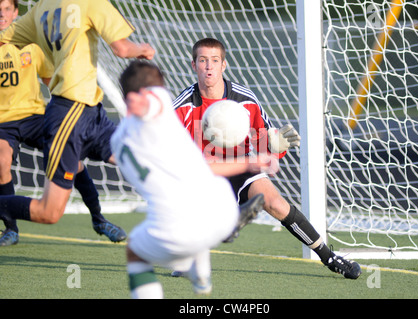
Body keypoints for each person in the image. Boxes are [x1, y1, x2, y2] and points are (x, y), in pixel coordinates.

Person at [172, 38, 362, 279]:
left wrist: (275, 146)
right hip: (201, 172)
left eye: (214, 61)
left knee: (274, 202)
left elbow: (266, 143)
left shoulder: (245, 100)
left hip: (241, 164)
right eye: (202, 61)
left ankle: (329, 256)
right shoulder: (182, 107)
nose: (208, 67)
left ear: (224, 66)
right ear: (193, 65)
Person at [114, 60, 274, 298]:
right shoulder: (159, 106)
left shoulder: (116, 141)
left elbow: (139, 100)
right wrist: (250, 163)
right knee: (204, 187)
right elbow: (150, 97)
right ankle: (202, 264)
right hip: (217, 213)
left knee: (135, 251)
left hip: (170, 233)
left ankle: (193, 266)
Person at [0, 0, 154, 231]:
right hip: (68, 113)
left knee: (135, 156)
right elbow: (122, 49)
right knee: (49, 212)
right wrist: (143, 49)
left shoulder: (41, 8)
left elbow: (5, 39)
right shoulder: (91, 2)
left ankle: (186, 211)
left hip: (90, 110)